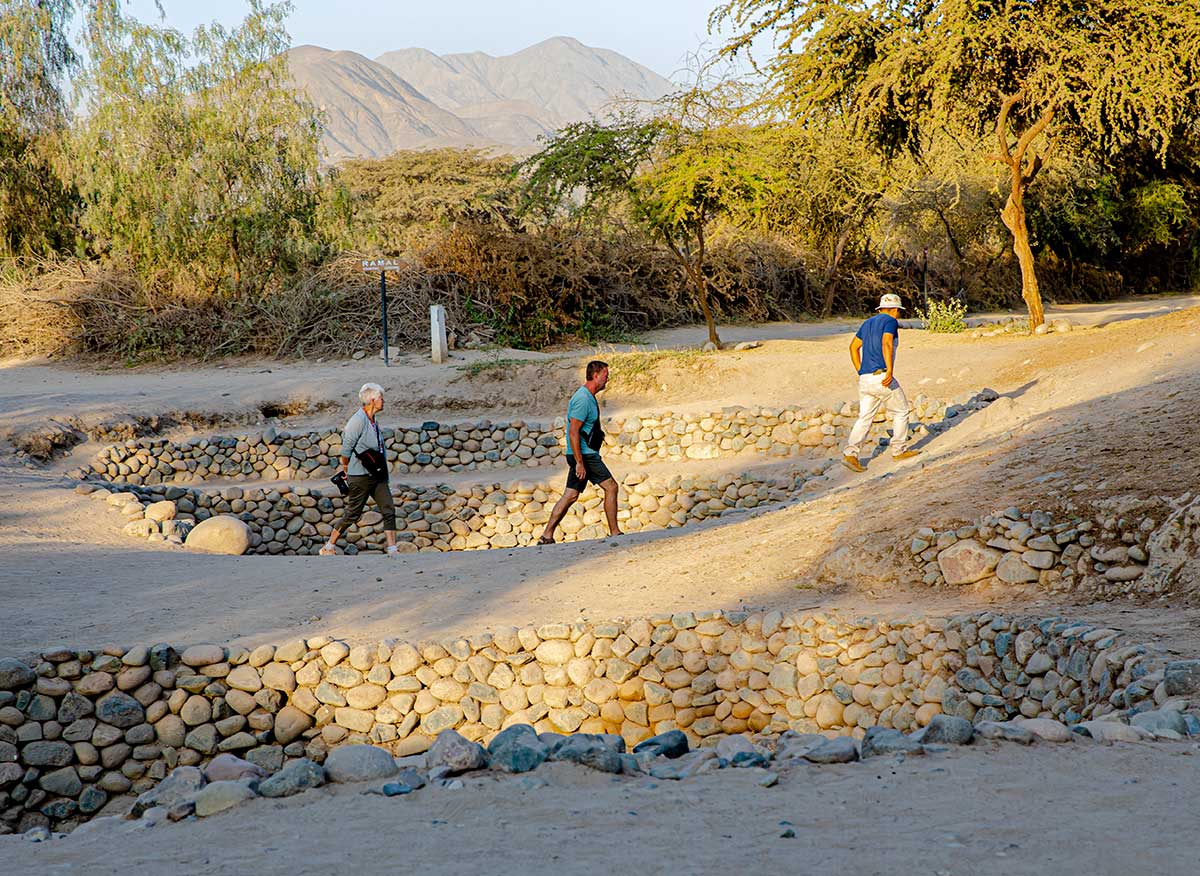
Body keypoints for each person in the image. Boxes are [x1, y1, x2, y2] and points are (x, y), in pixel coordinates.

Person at [537, 360, 622, 544]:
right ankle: (615, 532)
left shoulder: (588, 397)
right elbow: (573, 431)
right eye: (606, 376)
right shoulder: (583, 399)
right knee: (611, 487)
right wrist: (579, 462)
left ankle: (547, 536)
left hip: (583, 454)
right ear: (596, 375)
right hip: (585, 455)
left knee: (571, 495)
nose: (607, 380)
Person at [842, 293, 922, 472]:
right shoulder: (890, 322)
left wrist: (861, 371)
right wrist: (890, 370)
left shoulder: (867, 323)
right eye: (898, 311)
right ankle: (899, 449)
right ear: (894, 310)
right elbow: (886, 343)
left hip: (865, 379)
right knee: (902, 411)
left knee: (865, 417)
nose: (898, 315)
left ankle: (851, 454)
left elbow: (853, 347)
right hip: (881, 375)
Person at [319, 383, 401, 557]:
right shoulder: (358, 420)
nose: (383, 401)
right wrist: (346, 468)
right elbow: (346, 447)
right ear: (372, 400)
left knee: (388, 509)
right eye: (381, 398)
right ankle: (329, 545)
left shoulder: (373, 420)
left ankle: (392, 549)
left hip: (377, 474)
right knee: (353, 513)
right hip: (359, 475)